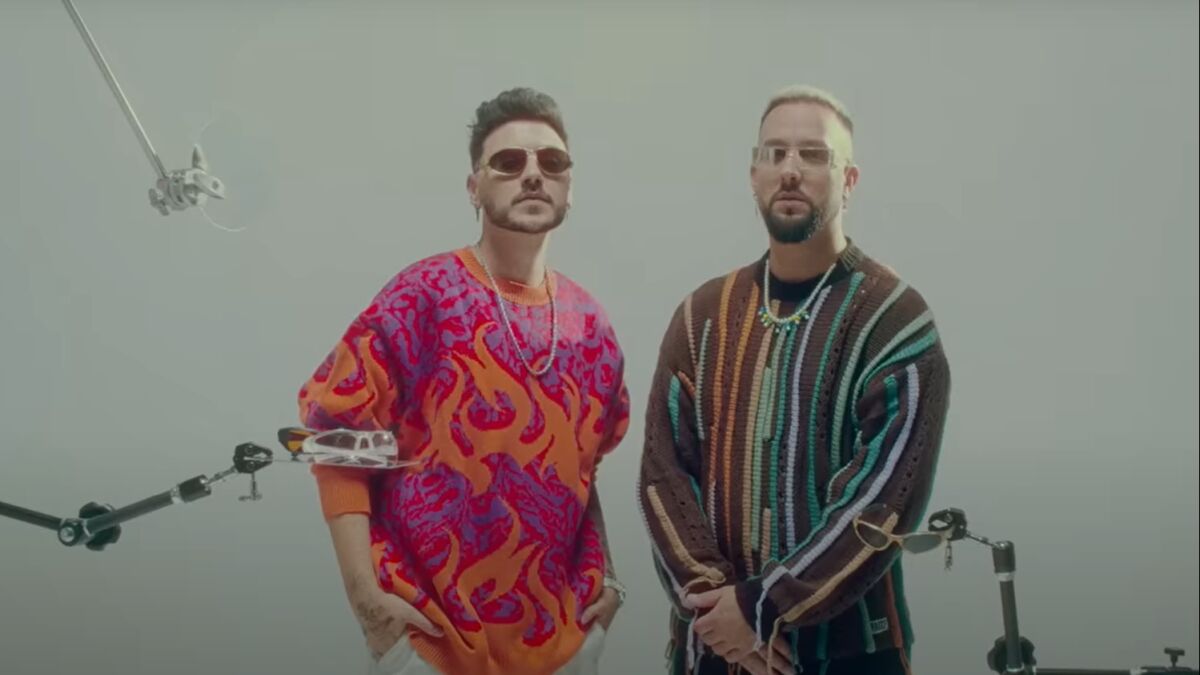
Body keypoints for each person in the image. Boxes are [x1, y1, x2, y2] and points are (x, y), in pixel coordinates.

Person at [296, 87, 630, 675]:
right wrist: (366, 599)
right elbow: (334, 432)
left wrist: (609, 575)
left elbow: (583, 468)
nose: (533, 174)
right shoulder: (424, 295)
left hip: (566, 647)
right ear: (474, 187)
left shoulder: (590, 324)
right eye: (509, 162)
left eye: (552, 162)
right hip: (434, 646)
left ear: (569, 187)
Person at [637, 85, 952, 675]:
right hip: (711, 650)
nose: (790, 169)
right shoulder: (700, 316)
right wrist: (719, 610)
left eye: (813, 154)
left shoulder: (896, 321)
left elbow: (884, 500)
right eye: (775, 153)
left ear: (848, 180)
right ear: (753, 175)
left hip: (851, 655)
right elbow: (663, 473)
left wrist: (762, 607)